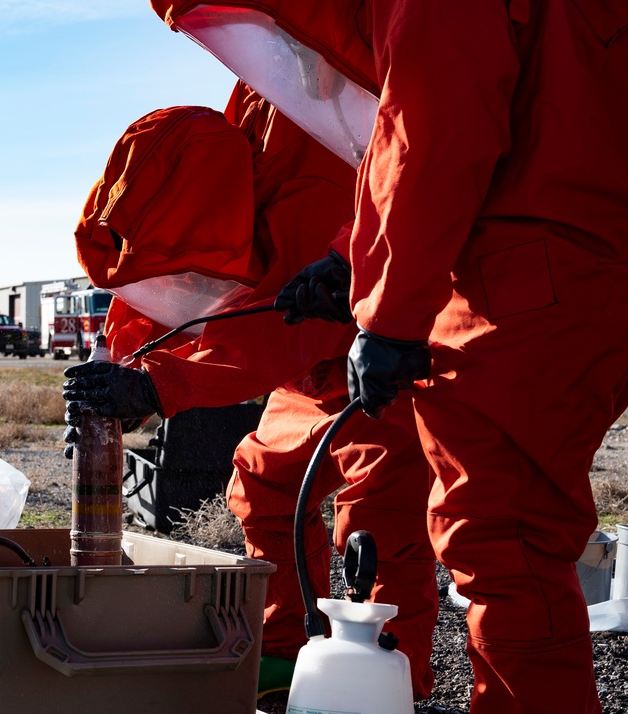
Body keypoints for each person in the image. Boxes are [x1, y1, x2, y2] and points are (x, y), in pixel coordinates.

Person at [149, 2, 628, 712]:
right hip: (587, 265)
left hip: (517, 279)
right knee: (508, 541)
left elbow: (436, 126)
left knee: (502, 542)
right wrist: (354, 265)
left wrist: (389, 314)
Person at [63, 82, 439, 700]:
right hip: (307, 371)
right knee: (263, 481)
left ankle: (395, 680)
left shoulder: (309, 178)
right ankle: (288, 650)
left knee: (381, 515)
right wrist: (110, 365)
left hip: (377, 361)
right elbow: (156, 280)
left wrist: (157, 385)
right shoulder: (245, 123)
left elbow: (282, 328)